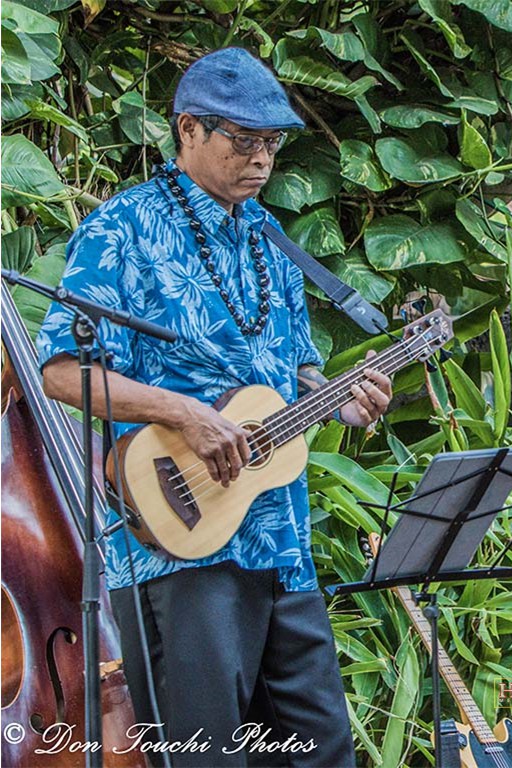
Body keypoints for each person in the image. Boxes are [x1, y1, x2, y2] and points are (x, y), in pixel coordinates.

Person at [35, 48, 390, 767]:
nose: (261, 158)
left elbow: (295, 375)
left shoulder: (271, 240)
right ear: (188, 129)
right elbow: (63, 374)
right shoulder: (124, 228)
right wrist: (182, 412)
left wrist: (341, 400)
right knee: (209, 757)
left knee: (323, 753)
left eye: (272, 142)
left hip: (281, 544)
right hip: (181, 545)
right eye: (243, 139)